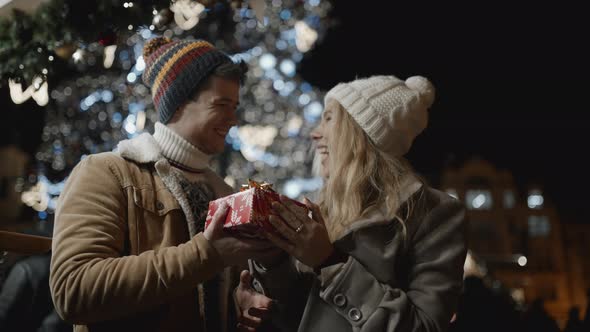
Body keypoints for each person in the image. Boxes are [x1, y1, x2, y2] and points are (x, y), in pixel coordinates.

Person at [49, 37, 278, 332]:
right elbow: (73, 291)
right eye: (222, 104)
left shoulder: (223, 194)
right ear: (179, 103)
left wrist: (238, 304)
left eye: (235, 106)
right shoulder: (106, 173)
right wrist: (205, 254)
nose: (233, 119)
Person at [236, 75, 468, 331]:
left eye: (329, 118)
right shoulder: (320, 206)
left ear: (361, 131)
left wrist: (330, 263)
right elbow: (298, 312)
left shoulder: (435, 213)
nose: (315, 134)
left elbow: (425, 326)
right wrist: (271, 269)